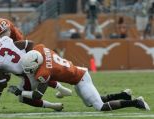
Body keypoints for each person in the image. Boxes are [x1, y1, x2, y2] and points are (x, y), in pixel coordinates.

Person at [8, 44, 150, 111]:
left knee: (99, 107)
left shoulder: (44, 71)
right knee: (90, 103)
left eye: (30, 69)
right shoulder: (39, 49)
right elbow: (30, 43)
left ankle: (136, 102)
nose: (30, 72)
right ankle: (124, 95)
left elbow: (38, 95)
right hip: (78, 76)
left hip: (81, 78)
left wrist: (20, 92)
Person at [0, 36, 72, 112]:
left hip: (27, 74)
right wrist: (30, 58)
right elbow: (28, 43)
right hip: (35, 61)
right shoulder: (4, 41)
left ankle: (53, 106)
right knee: (42, 77)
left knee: (23, 98)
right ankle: (62, 89)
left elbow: (2, 83)